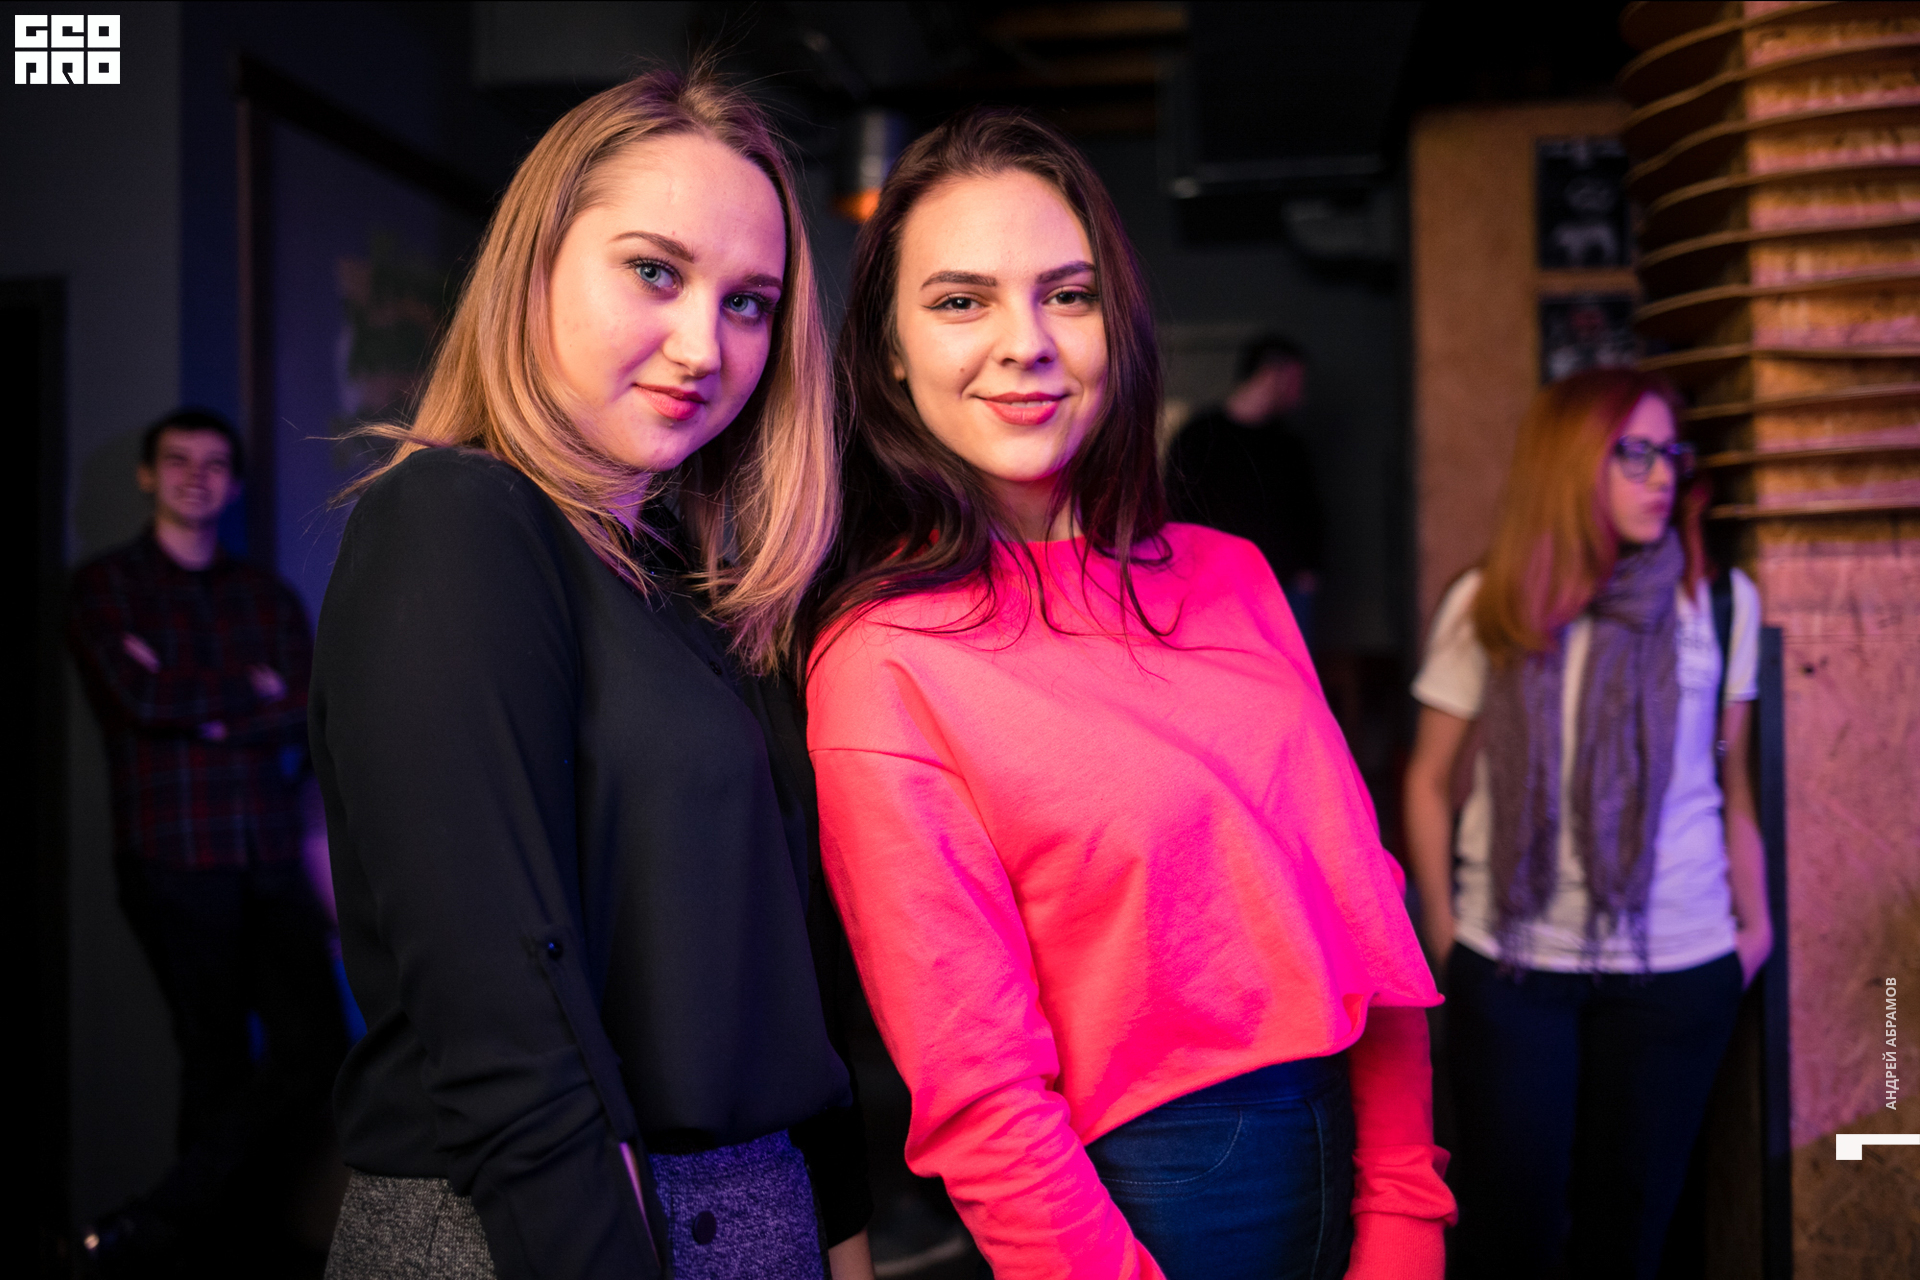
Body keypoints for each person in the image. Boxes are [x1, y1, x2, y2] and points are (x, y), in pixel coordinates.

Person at [801, 109, 1453, 1280]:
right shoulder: (884, 659)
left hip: (1352, 1160)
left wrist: (1406, 1210)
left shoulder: (1230, 574)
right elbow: (980, 1090)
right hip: (1147, 1202)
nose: (1026, 342)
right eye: (961, 301)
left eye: (1069, 293)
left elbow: (1367, 903)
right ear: (889, 350)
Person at [310, 69, 872, 1280]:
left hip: (757, 1215)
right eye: (654, 271)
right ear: (535, 268)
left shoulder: (689, 583)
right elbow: (513, 1036)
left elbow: (786, 978)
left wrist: (839, 1241)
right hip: (539, 1234)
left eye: (749, 302)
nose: (704, 346)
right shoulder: (455, 520)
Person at [1400, 370, 1771, 1278]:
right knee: (1511, 1235)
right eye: (1633, 454)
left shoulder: (1718, 606)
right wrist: (1446, 933)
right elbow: (1428, 779)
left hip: (1676, 968)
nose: (1662, 476)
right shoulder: (1490, 602)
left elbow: (1731, 784)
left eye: (1669, 454)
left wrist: (1753, 934)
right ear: (1569, 463)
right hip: (1516, 969)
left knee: (1631, 1238)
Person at [67, 408, 348, 1274]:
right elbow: (140, 701)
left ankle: (158, 1223)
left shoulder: (264, 596)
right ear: (147, 476)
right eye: (178, 460)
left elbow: (305, 710)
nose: (197, 476)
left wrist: (203, 706)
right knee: (213, 1060)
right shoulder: (105, 586)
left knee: (317, 1050)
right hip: (174, 858)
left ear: (233, 484)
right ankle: (213, 1255)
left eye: (215, 463)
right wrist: (244, 698)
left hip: (266, 853)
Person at [1165, 334, 1326, 643]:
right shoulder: (1199, 437)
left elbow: (1309, 515)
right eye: (1295, 381)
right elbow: (1176, 511)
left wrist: (1308, 572)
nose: (1300, 394)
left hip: (1282, 589)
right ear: (1273, 374)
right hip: (1213, 588)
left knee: (1286, 668)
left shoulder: (1289, 447)